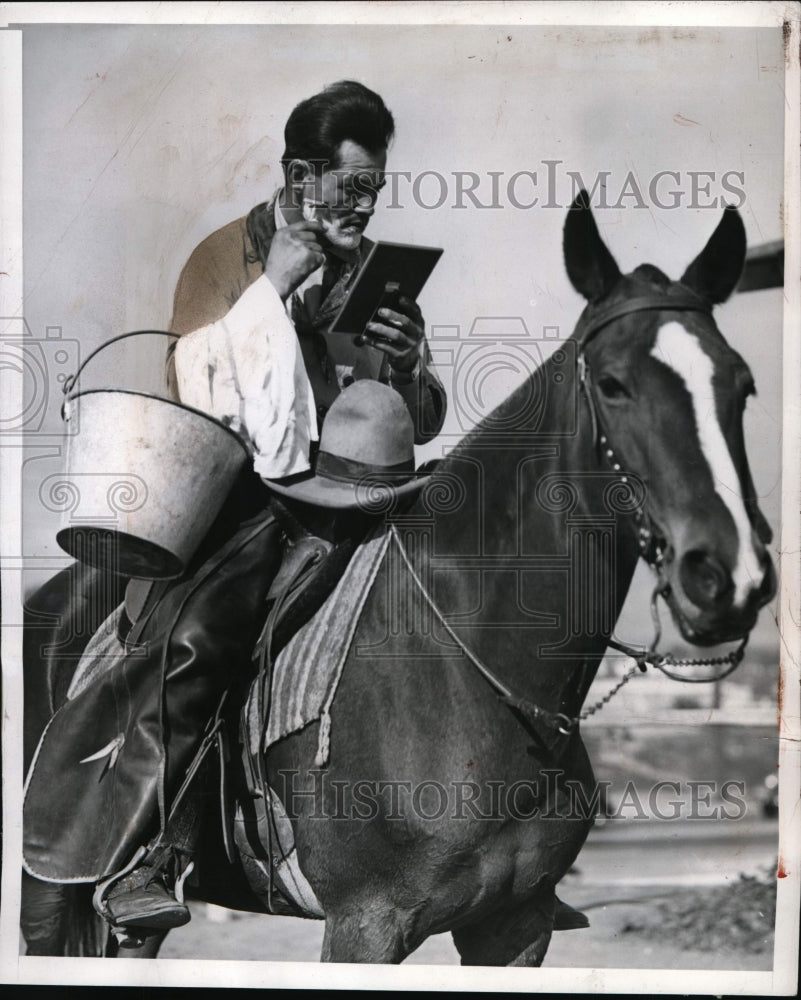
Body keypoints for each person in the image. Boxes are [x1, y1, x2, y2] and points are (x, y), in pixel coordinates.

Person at [23, 81, 448, 944]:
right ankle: (153, 848)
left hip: (366, 491)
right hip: (244, 494)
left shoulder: (377, 273)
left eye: (375, 189)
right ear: (299, 174)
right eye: (350, 188)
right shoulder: (224, 257)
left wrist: (406, 370)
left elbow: (424, 416)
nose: (365, 207)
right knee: (203, 631)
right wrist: (273, 296)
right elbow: (196, 392)